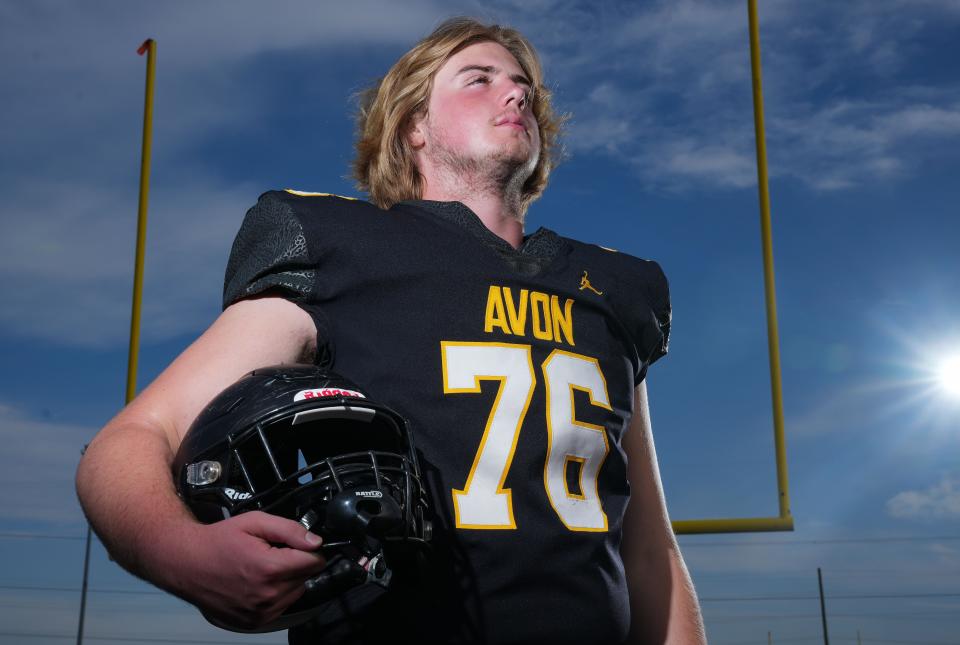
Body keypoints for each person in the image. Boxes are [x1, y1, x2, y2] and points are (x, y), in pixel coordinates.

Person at [76, 16, 706, 645]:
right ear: (412, 127)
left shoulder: (615, 289)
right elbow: (133, 438)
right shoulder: (343, 246)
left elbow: (647, 546)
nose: (515, 94)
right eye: (477, 80)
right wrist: (182, 555)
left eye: (523, 86)